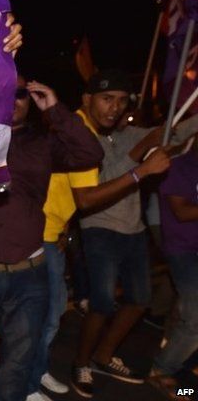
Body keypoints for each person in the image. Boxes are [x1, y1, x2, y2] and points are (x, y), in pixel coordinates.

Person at [0, 76, 104, 401]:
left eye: (21, 94)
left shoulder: (43, 143)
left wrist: (54, 109)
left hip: (31, 274)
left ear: (31, 99)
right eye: (3, 92)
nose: (13, 100)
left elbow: (90, 153)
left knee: (17, 367)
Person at [71, 70, 198, 399]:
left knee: (140, 300)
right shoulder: (80, 136)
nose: (114, 108)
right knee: (101, 304)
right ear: (87, 101)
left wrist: (167, 134)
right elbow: (101, 185)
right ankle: (81, 363)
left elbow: (175, 132)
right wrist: (144, 155)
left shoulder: (127, 135)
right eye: (107, 99)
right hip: (98, 228)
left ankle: (103, 355)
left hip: (134, 230)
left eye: (121, 100)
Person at [147, 139, 198, 401]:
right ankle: (163, 371)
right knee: (195, 315)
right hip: (184, 250)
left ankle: (180, 376)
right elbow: (182, 212)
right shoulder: (180, 166)